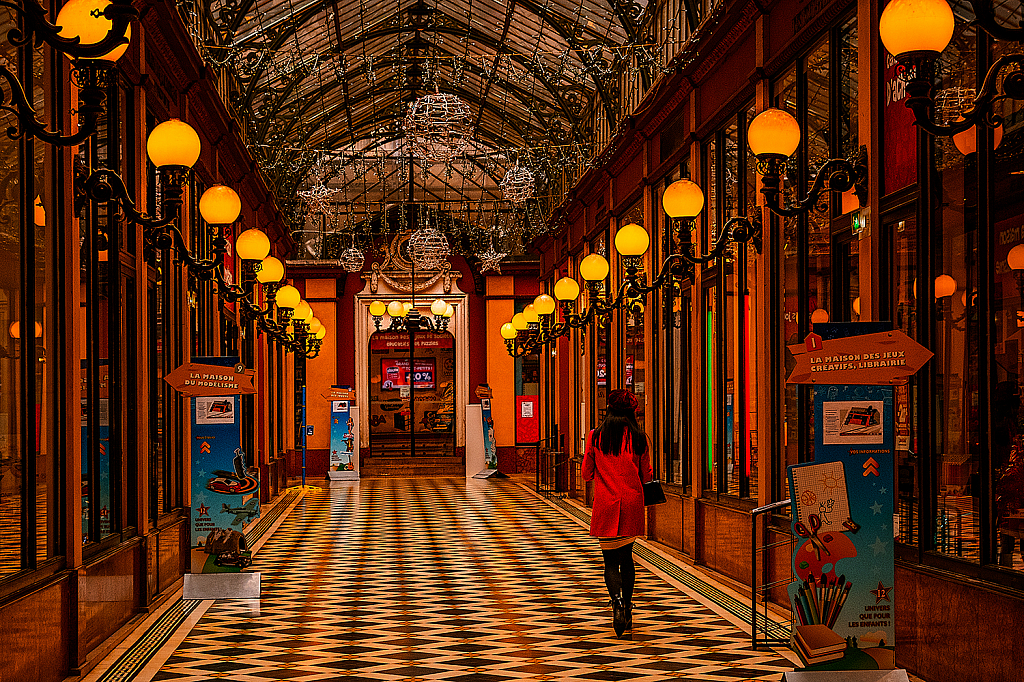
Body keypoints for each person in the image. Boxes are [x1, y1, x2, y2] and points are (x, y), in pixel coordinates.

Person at [582, 388, 653, 638]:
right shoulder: (639, 437)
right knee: (627, 559)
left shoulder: (596, 436)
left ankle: (617, 603)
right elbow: (647, 474)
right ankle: (629, 609)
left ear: (608, 410)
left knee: (610, 561)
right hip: (632, 503)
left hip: (607, 503)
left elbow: (586, 473)